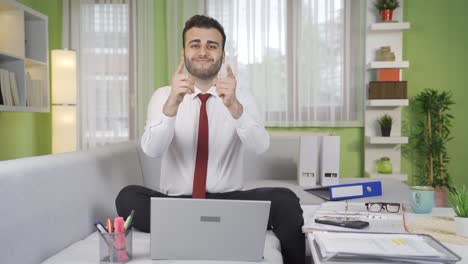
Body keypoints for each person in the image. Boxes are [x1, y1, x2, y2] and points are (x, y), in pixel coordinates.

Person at [115, 14, 305, 264]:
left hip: (227, 203)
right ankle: (209, 228)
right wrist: (172, 104)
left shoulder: (242, 96)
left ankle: (203, 228)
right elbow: (151, 150)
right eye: (195, 45)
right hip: (177, 204)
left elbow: (260, 146)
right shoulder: (163, 95)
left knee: (286, 200)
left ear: (222, 54)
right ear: (184, 53)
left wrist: (235, 107)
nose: (203, 52)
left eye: (211, 46)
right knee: (127, 197)